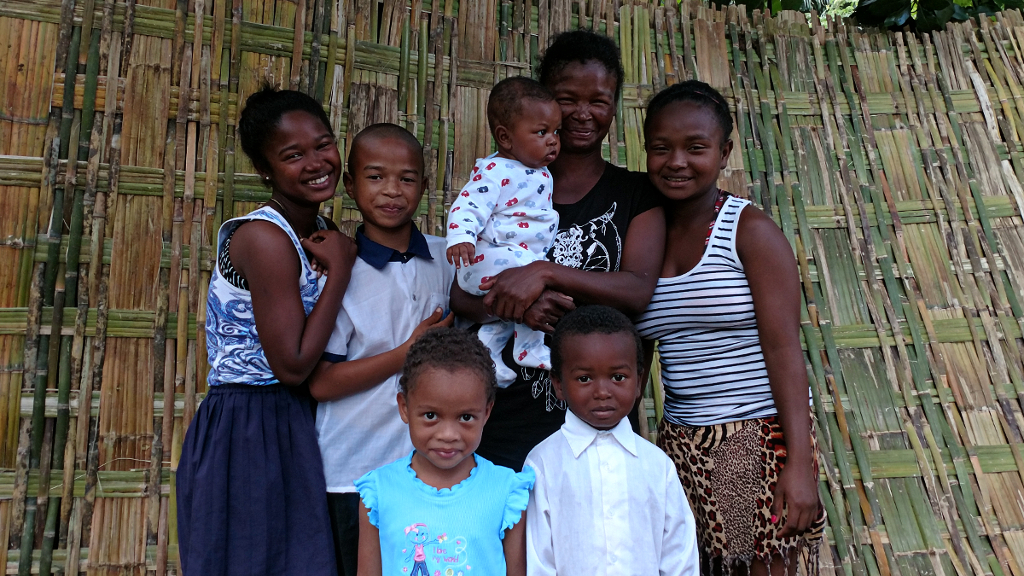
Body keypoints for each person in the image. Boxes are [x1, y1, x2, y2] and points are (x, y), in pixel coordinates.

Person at [452, 29, 666, 471]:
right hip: (503, 411)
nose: (583, 114)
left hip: (595, 419)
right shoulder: (503, 182)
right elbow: (461, 295)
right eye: (568, 99)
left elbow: (637, 291)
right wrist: (517, 307)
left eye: (600, 100)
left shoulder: (635, 193)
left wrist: (545, 273)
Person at [635, 80, 825, 575]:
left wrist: (798, 464)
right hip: (680, 440)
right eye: (661, 148)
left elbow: (784, 348)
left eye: (695, 147)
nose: (677, 161)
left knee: (756, 569)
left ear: (725, 152)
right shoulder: (642, 232)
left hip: (749, 436)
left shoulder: (748, 231)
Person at [176, 86, 356, 576]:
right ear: (265, 170)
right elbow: (292, 364)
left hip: (290, 419)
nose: (317, 162)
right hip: (250, 425)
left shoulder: (316, 228)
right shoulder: (263, 237)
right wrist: (340, 268)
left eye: (323, 144)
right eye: (293, 155)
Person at [306, 123, 455, 576]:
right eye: (375, 177)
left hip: (428, 472)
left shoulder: (447, 260)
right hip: (354, 472)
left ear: (424, 187)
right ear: (350, 185)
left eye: (407, 178)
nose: (392, 190)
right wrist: (409, 351)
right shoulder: (337, 272)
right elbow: (321, 383)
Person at [524, 305, 698, 576]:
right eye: (584, 378)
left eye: (618, 377)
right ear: (558, 384)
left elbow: (679, 555)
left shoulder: (657, 465)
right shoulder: (542, 463)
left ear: (639, 381)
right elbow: (537, 560)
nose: (602, 392)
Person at [354, 328, 534, 576]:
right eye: (431, 416)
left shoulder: (507, 492)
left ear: (487, 411)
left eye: (466, 417)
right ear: (404, 407)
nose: (448, 434)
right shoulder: (378, 492)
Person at [446, 77, 561, 387]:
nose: (552, 140)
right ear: (505, 138)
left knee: (513, 306)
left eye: (555, 132)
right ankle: (529, 348)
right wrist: (461, 237)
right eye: (541, 132)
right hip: (482, 261)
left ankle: (490, 352)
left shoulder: (539, 170)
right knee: (537, 280)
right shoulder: (495, 171)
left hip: (511, 263)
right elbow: (467, 205)